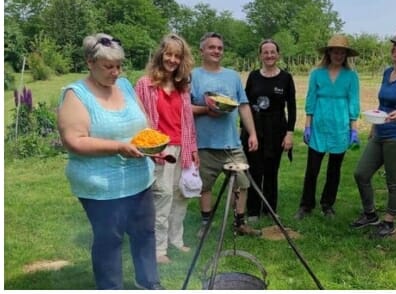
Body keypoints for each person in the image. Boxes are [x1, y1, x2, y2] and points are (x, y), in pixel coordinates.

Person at [58, 34, 161, 289]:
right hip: (101, 186)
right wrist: (118, 147)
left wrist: (152, 145)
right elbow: (75, 140)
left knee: (145, 234)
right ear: (89, 62)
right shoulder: (76, 94)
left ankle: (148, 283)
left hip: (139, 179)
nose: (115, 72)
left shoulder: (125, 86)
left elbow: (143, 122)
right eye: (108, 66)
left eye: (119, 66)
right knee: (109, 240)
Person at [134, 33, 200, 265]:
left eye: (177, 56)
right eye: (168, 54)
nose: (172, 59)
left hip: (182, 147)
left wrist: (192, 150)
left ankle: (176, 239)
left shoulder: (183, 86)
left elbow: (188, 121)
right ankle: (158, 248)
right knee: (162, 196)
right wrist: (151, 149)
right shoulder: (146, 84)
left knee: (181, 195)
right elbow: (139, 119)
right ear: (160, 54)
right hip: (160, 149)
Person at [352, 30, 396, 238]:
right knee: (361, 173)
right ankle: (370, 214)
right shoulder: (387, 72)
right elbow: (382, 103)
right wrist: (375, 126)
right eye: (394, 44)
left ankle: (390, 221)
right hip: (380, 132)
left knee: (394, 180)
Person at [191, 32, 261, 237]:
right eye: (212, 47)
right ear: (202, 50)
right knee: (205, 186)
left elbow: (244, 106)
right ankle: (206, 223)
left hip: (231, 143)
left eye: (220, 48)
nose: (216, 51)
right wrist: (206, 109)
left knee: (242, 183)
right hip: (204, 143)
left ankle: (240, 223)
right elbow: (184, 107)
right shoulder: (193, 75)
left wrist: (252, 133)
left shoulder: (232, 76)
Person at [299, 34, 361, 219]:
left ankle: (327, 205)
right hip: (319, 126)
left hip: (340, 127)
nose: (338, 55)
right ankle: (306, 205)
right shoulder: (316, 74)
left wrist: (354, 130)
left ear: (346, 55)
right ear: (328, 53)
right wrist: (307, 126)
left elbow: (354, 103)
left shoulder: (351, 76)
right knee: (312, 169)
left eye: (342, 52)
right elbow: (311, 99)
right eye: (335, 51)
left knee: (334, 170)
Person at [242, 39, 296, 219]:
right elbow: (246, 104)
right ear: (260, 55)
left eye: (272, 52)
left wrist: (289, 133)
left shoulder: (286, 78)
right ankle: (253, 211)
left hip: (277, 130)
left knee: (271, 171)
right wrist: (248, 131)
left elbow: (292, 107)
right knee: (255, 170)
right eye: (265, 52)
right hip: (256, 130)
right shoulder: (253, 76)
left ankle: (270, 210)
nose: (269, 55)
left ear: (278, 54)